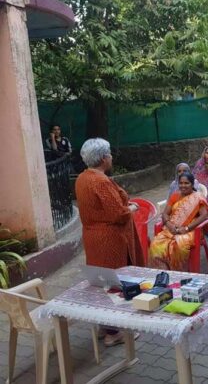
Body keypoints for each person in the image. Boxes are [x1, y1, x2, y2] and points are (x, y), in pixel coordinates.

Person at [75, 138, 144, 347]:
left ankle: (103, 325)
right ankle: (113, 332)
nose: (112, 157)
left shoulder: (83, 178)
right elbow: (118, 214)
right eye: (110, 154)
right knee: (114, 282)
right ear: (104, 158)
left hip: (93, 237)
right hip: (109, 239)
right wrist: (131, 208)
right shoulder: (101, 181)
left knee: (101, 280)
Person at [149, 171, 208, 270]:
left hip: (191, 229)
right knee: (156, 244)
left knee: (178, 245)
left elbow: (204, 215)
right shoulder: (175, 196)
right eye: (181, 183)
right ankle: (162, 271)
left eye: (186, 183)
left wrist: (186, 228)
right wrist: (169, 225)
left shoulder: (197, 197)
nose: (183, 186)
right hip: (172, 227)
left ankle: (178, 272)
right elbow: (165, 213)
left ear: (192, 184)